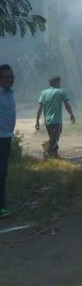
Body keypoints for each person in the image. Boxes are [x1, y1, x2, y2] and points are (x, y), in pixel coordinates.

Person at [35, 76, 75, 159]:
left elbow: (40, 108)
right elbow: (66, 105)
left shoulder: (44, 93)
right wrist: (71, 114)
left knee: (54, 139)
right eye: (60, 82)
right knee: (54, 140)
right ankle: (48, 155)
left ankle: (54, 155)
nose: (61, 84)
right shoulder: (61, 92)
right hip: (56, 121)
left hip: (47, 122)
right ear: (57, 83)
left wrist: (37, 120)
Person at [0, 64, 16, 219]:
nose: (10, 79)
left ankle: (2, 205)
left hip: (6, 137)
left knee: (3, 172)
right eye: (6, 77)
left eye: (12, 77)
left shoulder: (9, 93)